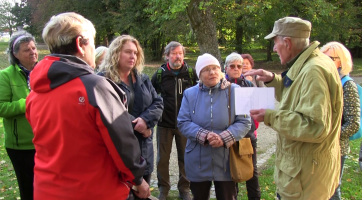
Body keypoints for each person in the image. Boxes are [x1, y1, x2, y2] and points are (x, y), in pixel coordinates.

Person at [25, 12, 150, 200]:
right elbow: (122, 143)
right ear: (80, 45)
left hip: (46, 190)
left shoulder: (35, 92)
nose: (94, 48)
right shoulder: (95, 87)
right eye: (92, 42)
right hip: (94, 190)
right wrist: (138, 179)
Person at [244, 17, 343, 200]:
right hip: (306, 174)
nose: (274, 49)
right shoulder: (311, 62)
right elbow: (298, 95)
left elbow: (315, 126)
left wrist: (270, 116)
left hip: (305, 181)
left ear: (287, 42)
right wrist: (273, 80)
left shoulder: (313, 71)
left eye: (275, 43)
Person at [177, 53, 251, 200]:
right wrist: (204, 135)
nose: (212, 72)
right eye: (206, 69)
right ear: (199, 74)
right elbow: (183, 122)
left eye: (215, 68)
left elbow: (244, 121)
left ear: (221, 70)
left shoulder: (237, 91)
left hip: (226, 160)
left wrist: (223, 138)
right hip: (198, 160)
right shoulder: (189, 94)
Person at [98, 35, 164, 199]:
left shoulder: (142, 78)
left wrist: (146, 121)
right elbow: (109, 115)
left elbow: (158, 102)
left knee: (143, 194)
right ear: (115, 53)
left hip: (144, 151)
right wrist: (137, 125)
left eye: (135, 53)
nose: (133, 56)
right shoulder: (102, 80)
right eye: (128, 52)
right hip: (118, 155)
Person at [151, 41, 197, 200]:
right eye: (174, 53)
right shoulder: (159, 74)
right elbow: (150, 96)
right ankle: (163, 188)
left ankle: (184, 188)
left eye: (180, 53)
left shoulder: (191, 73)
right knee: (162, 159)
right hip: (164, 123)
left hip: (186, 124)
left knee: (186, 157)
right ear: (167, 56)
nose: (178, 56)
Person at [320, 42, 360, 200]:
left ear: (341, 61)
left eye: (330, 58)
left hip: (337, 147)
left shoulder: (348, 85)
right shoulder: (326, 81)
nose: (325, 61)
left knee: (332, 190)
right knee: (321, 188)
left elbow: (353, 123)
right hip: (321, 146)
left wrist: (331, 137)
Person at [0, 30, 37, 200]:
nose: (33, 52)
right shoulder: (5, 76)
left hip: (46, 141)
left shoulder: (44, 72)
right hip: (21, 146)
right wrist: (28, 101)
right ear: (15, 54)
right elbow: (2, 108)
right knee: (28, 189)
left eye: (34, 47)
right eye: (26, 49)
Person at [224, 52, 261, 200]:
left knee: (252, 172)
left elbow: (259, 108)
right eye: (232, 66)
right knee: (230, 174)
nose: (236, 69)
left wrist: (254, 128)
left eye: (239, 66)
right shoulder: (220, 85)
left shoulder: (248, 84)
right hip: (227, 136)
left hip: (247, 137)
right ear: (226, 68)